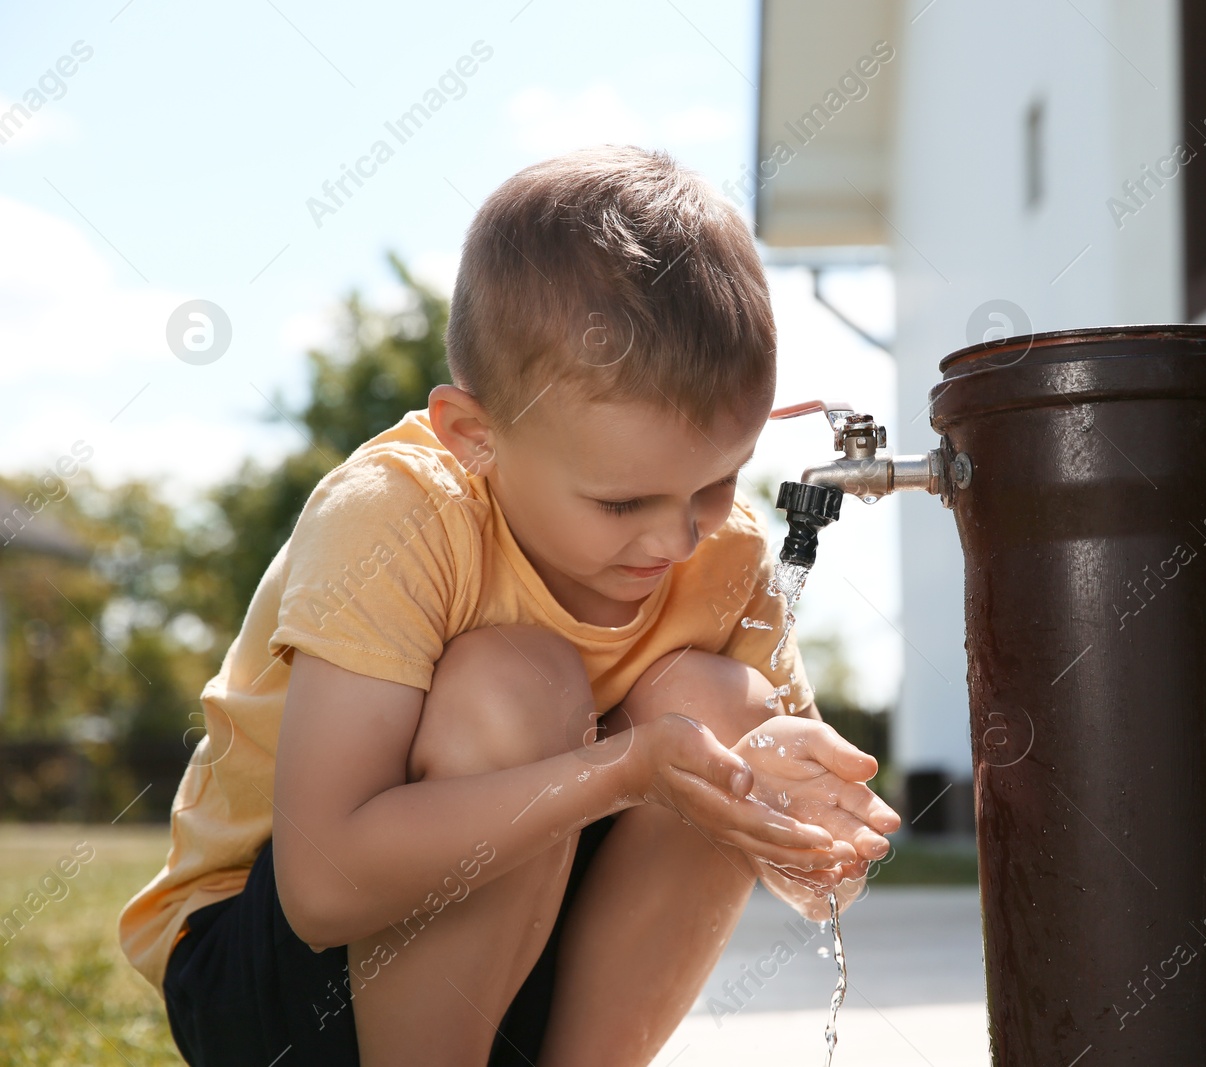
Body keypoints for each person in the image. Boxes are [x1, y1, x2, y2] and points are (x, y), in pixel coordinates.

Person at [117, 144, 902, 1066]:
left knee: (726, 713)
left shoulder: (721, 560)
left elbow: (811, 876)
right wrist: (625, 770)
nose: (676, 539)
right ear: (475, 435)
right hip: (280, 973)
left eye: (717, 483)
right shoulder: (397, 517)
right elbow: (321, 889)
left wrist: (798, 820)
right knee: (515, 678)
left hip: (524, 954)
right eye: (621, 502)